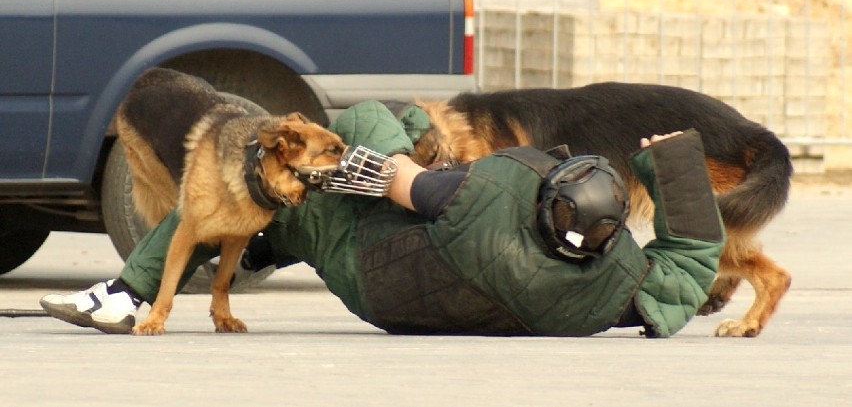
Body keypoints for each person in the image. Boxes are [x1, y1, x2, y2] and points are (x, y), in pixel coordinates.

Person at [40, 100, 724, 338]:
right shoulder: (610, 294)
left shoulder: (480, 203)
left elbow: (382, 168)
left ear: (548, 201)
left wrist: (383, 151)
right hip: (434, 292)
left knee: (265, 196)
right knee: (403, 129)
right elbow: (688, 270)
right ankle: (255, 248)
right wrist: (679, 168)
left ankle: (130, 290)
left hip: (380, 271)